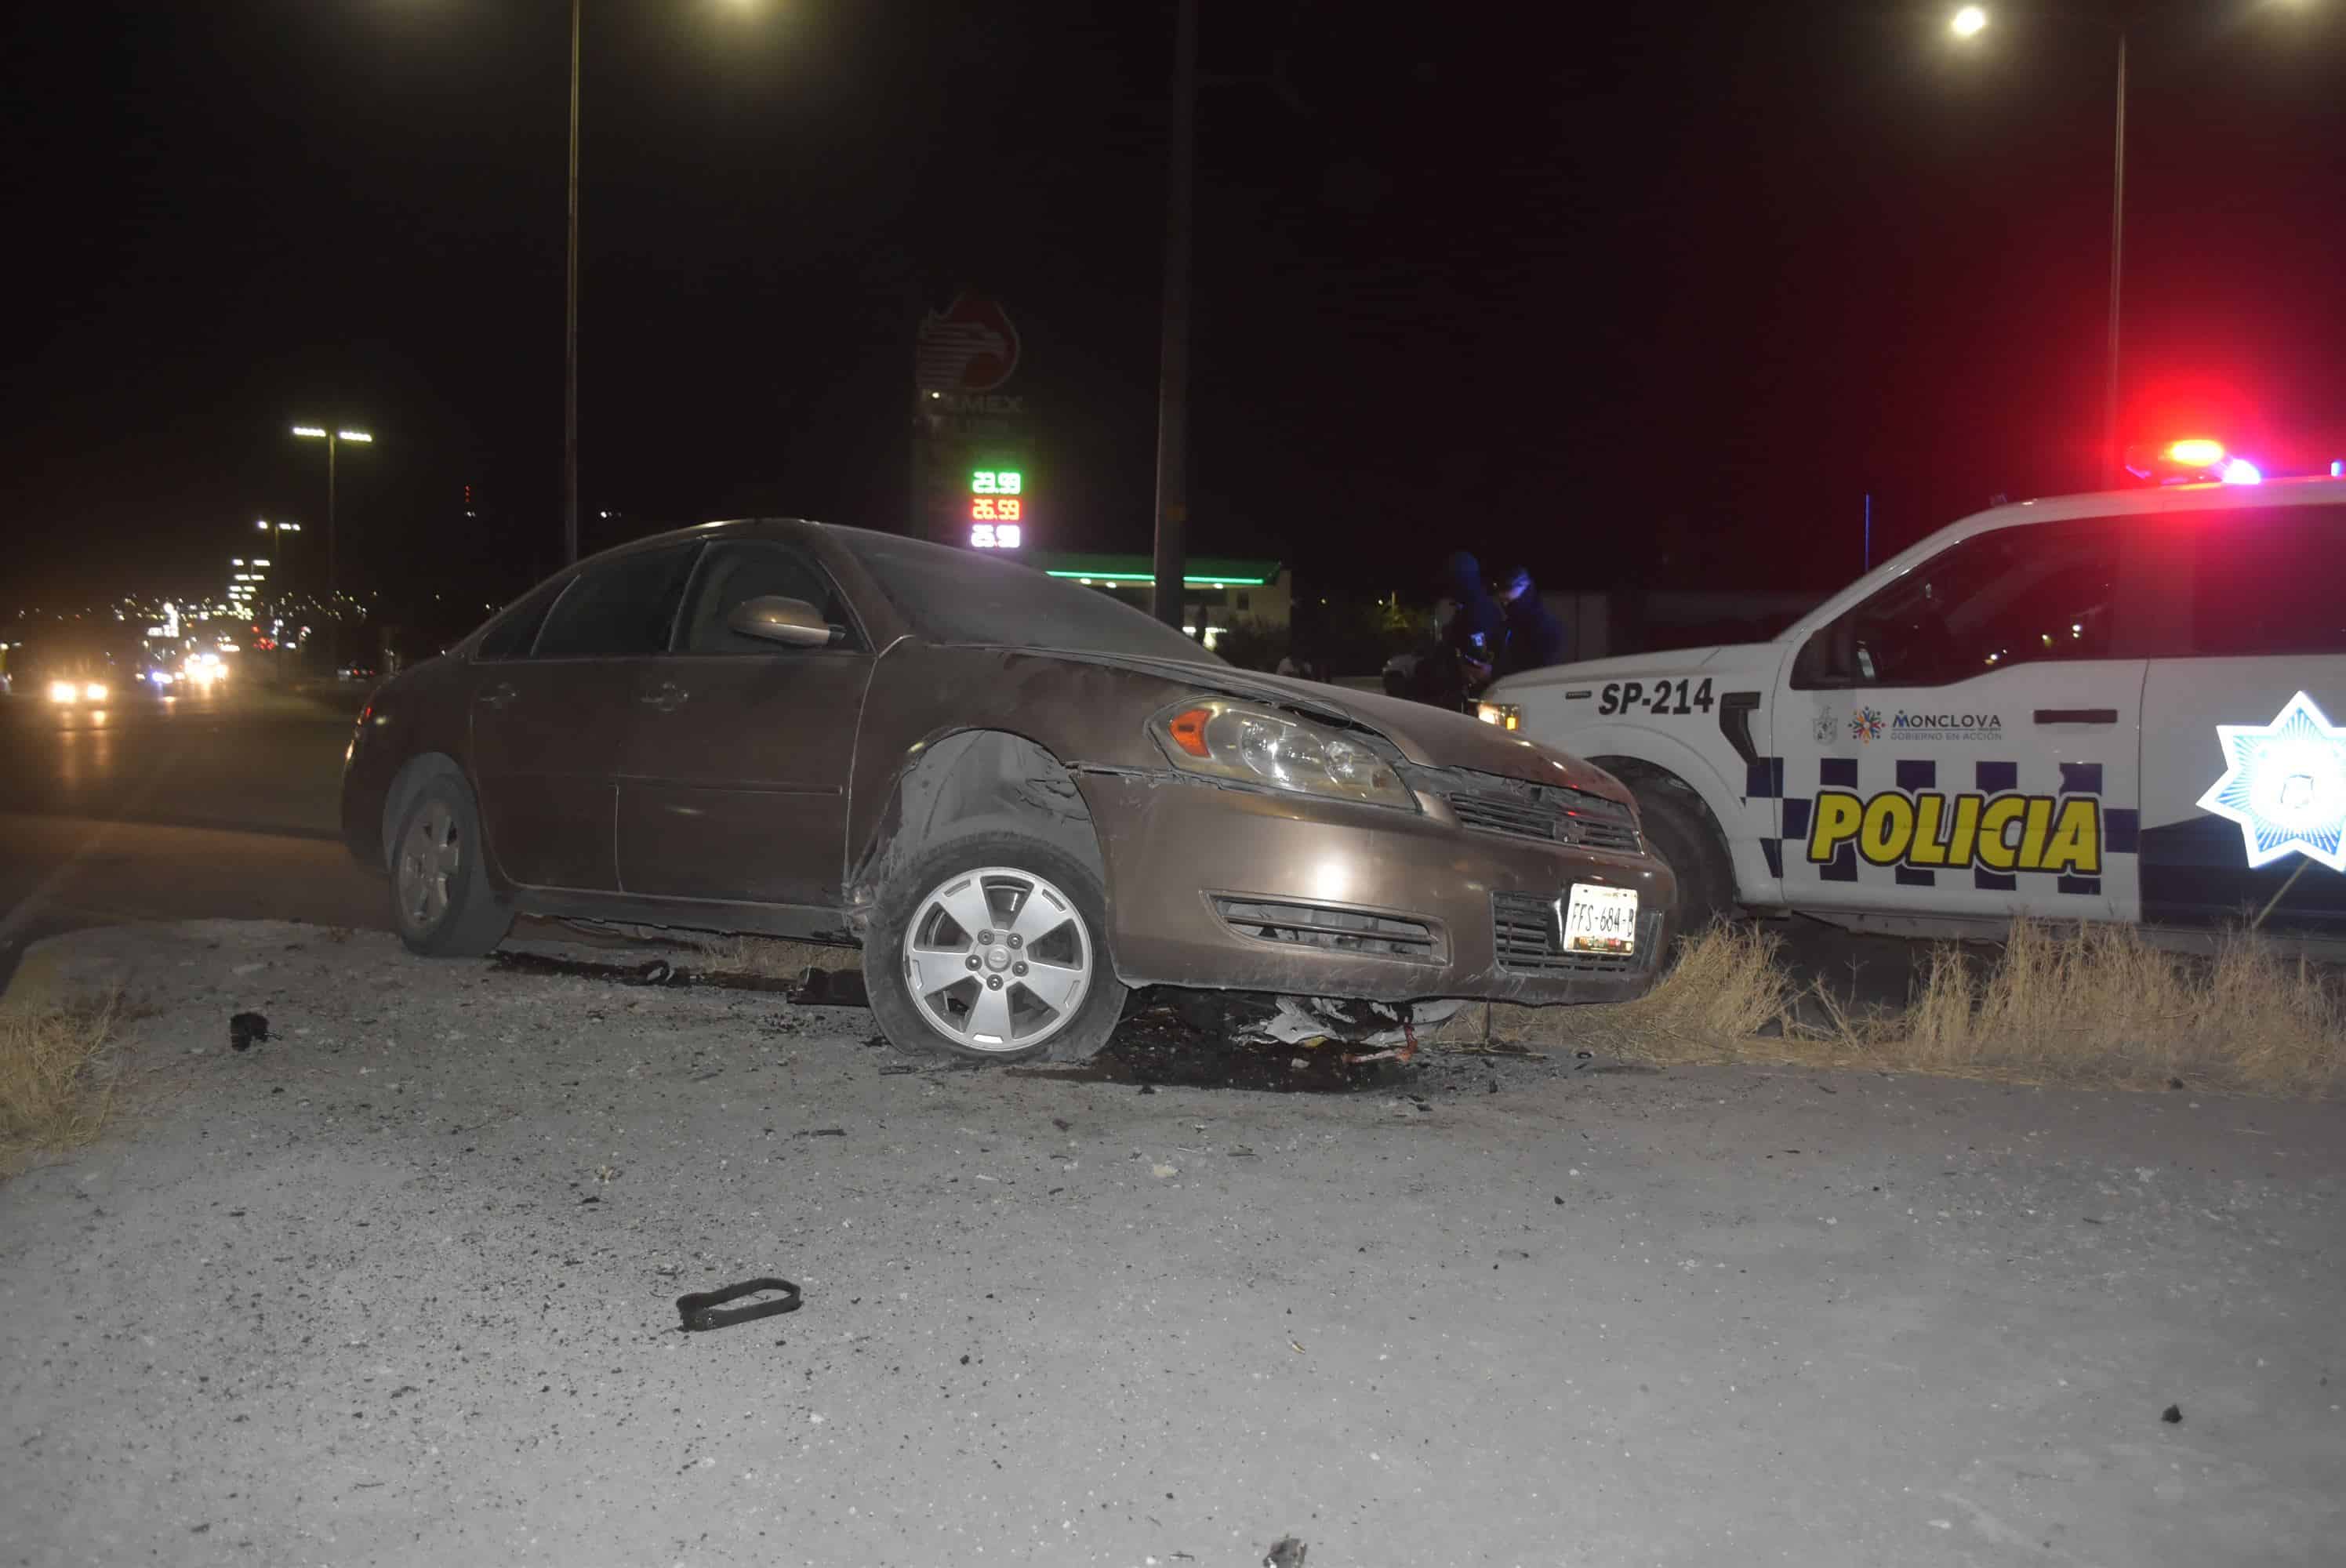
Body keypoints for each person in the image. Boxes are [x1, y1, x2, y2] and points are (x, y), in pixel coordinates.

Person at [1419, 550, 1506, 711]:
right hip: (1468, 691)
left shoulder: (1478, 610)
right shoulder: (1471, 607)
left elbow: (1478, 658)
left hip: (1477, 693)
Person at [1494, 565, 1567, 677]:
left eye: (1510, 601)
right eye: (1502, 601)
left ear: (1526, 589)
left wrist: (1492, 673)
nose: (1505, 605)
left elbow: (1538, 673)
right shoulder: (1510, 624)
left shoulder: (1546, 627)